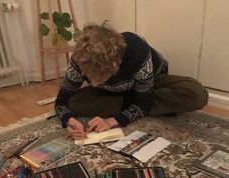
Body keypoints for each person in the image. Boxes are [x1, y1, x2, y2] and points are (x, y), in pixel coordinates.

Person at [55, 22, 208, 140]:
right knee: (74, 103)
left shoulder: (137, 51)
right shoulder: (79, 58)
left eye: (100, 77)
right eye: (88, 76)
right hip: (114, 91)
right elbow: (61, 101)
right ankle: (136, 102)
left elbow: (143, 103)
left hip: (152, 82)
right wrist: (68, 119)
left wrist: (113, 120)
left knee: (196, 94)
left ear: (115, 65)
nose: (93, 83)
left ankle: (130, 101)